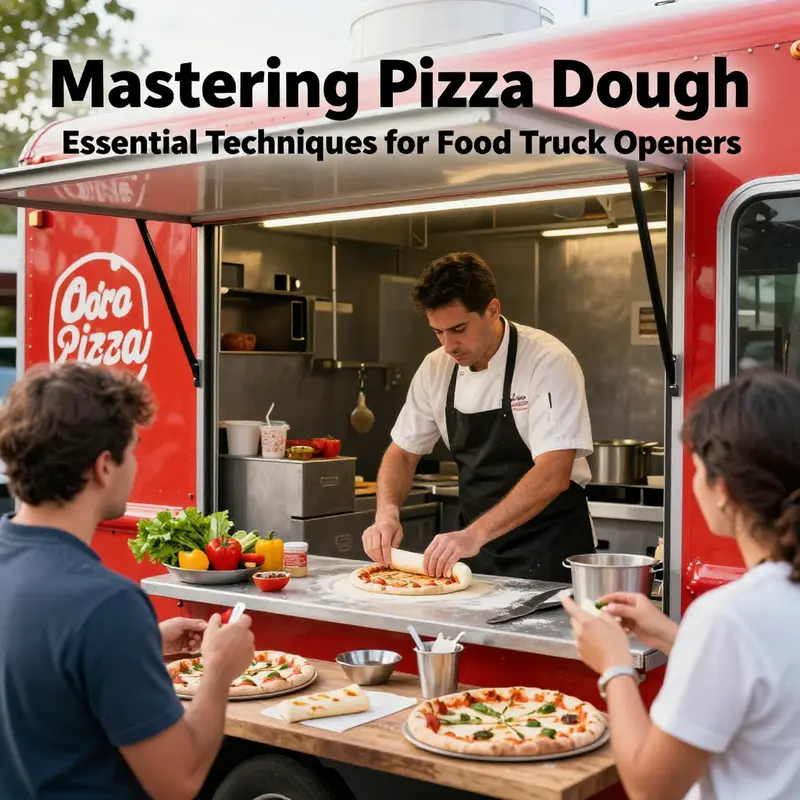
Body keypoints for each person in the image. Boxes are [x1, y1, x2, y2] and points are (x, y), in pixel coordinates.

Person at [0, 362, 256, 800]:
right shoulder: (105, 606)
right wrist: (218, 671)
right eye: (133, 449)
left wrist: (139, 646)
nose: (136, 465)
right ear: (103, 467)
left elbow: (38, 669)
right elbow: (179, 781)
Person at [562, 370, 800, 800]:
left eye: (695, 470)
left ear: (723, 489)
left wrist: (615, 664)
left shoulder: (729, 618)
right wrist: (671, 635)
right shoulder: (763, 607)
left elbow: (650, 787)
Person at [362, 251, 596, 582]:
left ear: (492, 310)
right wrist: (387, 513)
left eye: (458, 328)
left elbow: (553, 472)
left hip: (549, 551)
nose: (448, 345)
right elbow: (402, 452)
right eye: (438, 332)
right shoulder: (436, 368)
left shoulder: (547, 361)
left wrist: (473, 535)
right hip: (478, 555)